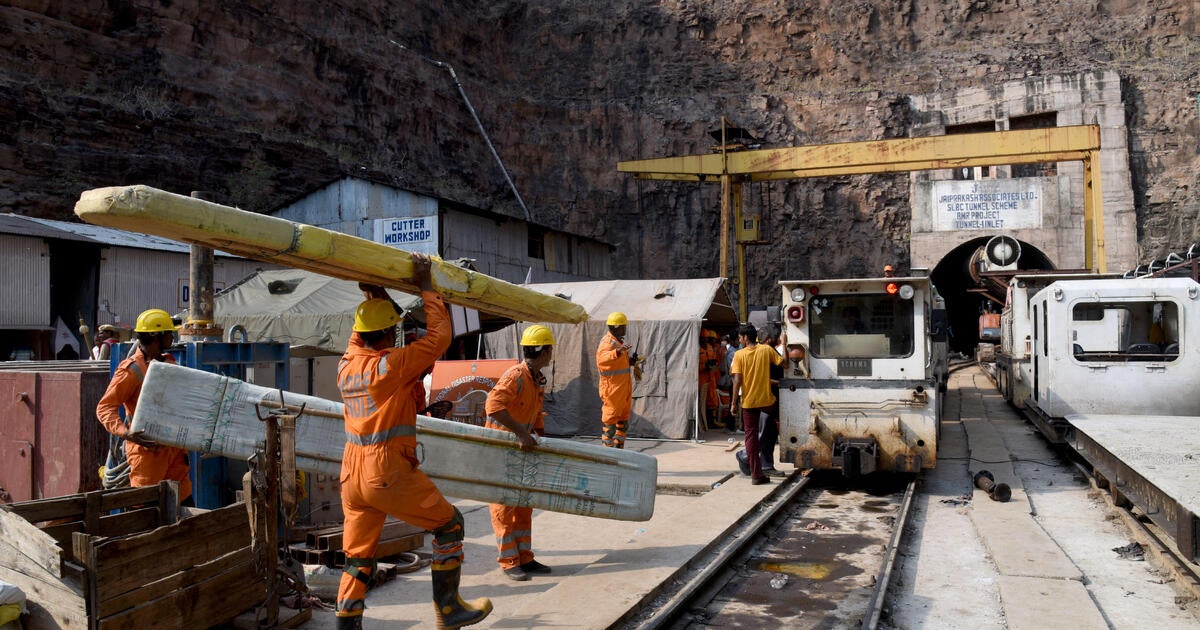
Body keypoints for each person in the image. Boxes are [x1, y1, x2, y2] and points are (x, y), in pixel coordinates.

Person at [335, 254, 492, 630]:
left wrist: (378, 296)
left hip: (352, 475)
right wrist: (427, 288)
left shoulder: (346, 364)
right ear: (387, 336)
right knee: (449, 524)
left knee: (358, 556)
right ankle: (449, 609)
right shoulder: (388, 366)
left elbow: (366, 333)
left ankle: (346, 624)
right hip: (385, 470)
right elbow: (440, 337)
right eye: (394, 331)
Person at [95, 308, 190, 501]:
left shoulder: (169, 365)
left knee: (184, 508)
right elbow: (105, 408)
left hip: (174, 453)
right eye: (169, 333)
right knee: (146, 511)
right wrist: (125, 432)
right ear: (156, 337)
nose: (173, 337)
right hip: (148, 455)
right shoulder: (132, 370)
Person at [484, 324, 552, 581]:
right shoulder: (516, 376)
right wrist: (522, 434)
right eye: (550, 349)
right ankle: (509, 561)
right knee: (504, 506)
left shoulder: (536, 379)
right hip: (502, 449)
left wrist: (538, 437)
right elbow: (493, 406)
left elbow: (535, 413)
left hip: (521, 451)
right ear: (544, 352)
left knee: (524, 505)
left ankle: (525, 557)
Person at [730, 323, 783, 485]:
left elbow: (737, 380)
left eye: (740, 338)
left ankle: (756, 474)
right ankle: (763, 462)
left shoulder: (739, 355)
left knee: (751, 437)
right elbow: (784, 363)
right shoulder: (766, 350)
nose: (740, 340)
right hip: (767, 401)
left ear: (746, 338)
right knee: (773, 426)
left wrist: (734, 403)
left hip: (749, 402)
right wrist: (786, 345)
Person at [596, 311, 635, 448]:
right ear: (616, 327)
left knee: (623, 424)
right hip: (612, 390)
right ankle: (608, 454)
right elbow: (601, 359)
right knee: (610, 424)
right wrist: (617, 352)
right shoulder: (608, 342)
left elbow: (617, 364)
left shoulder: (618, 342)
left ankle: (619, 450)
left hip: (623, 389)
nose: (625, 329)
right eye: (623, 326)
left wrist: (630, 361)